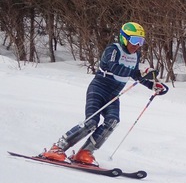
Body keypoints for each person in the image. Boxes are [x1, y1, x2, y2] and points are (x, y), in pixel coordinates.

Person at [42, 22, 167, 166]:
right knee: (91, 123)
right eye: (134, 40)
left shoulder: (136, 54)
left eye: (141, 41)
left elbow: (134, 73)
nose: (137, 45)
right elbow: (115, 68)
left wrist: (153, 85)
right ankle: (57, 148)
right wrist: (144, 73)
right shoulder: (113, 50)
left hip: (113, 95)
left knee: (112, 121)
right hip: (98, 89)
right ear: (124, 38)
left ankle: (85, 152)